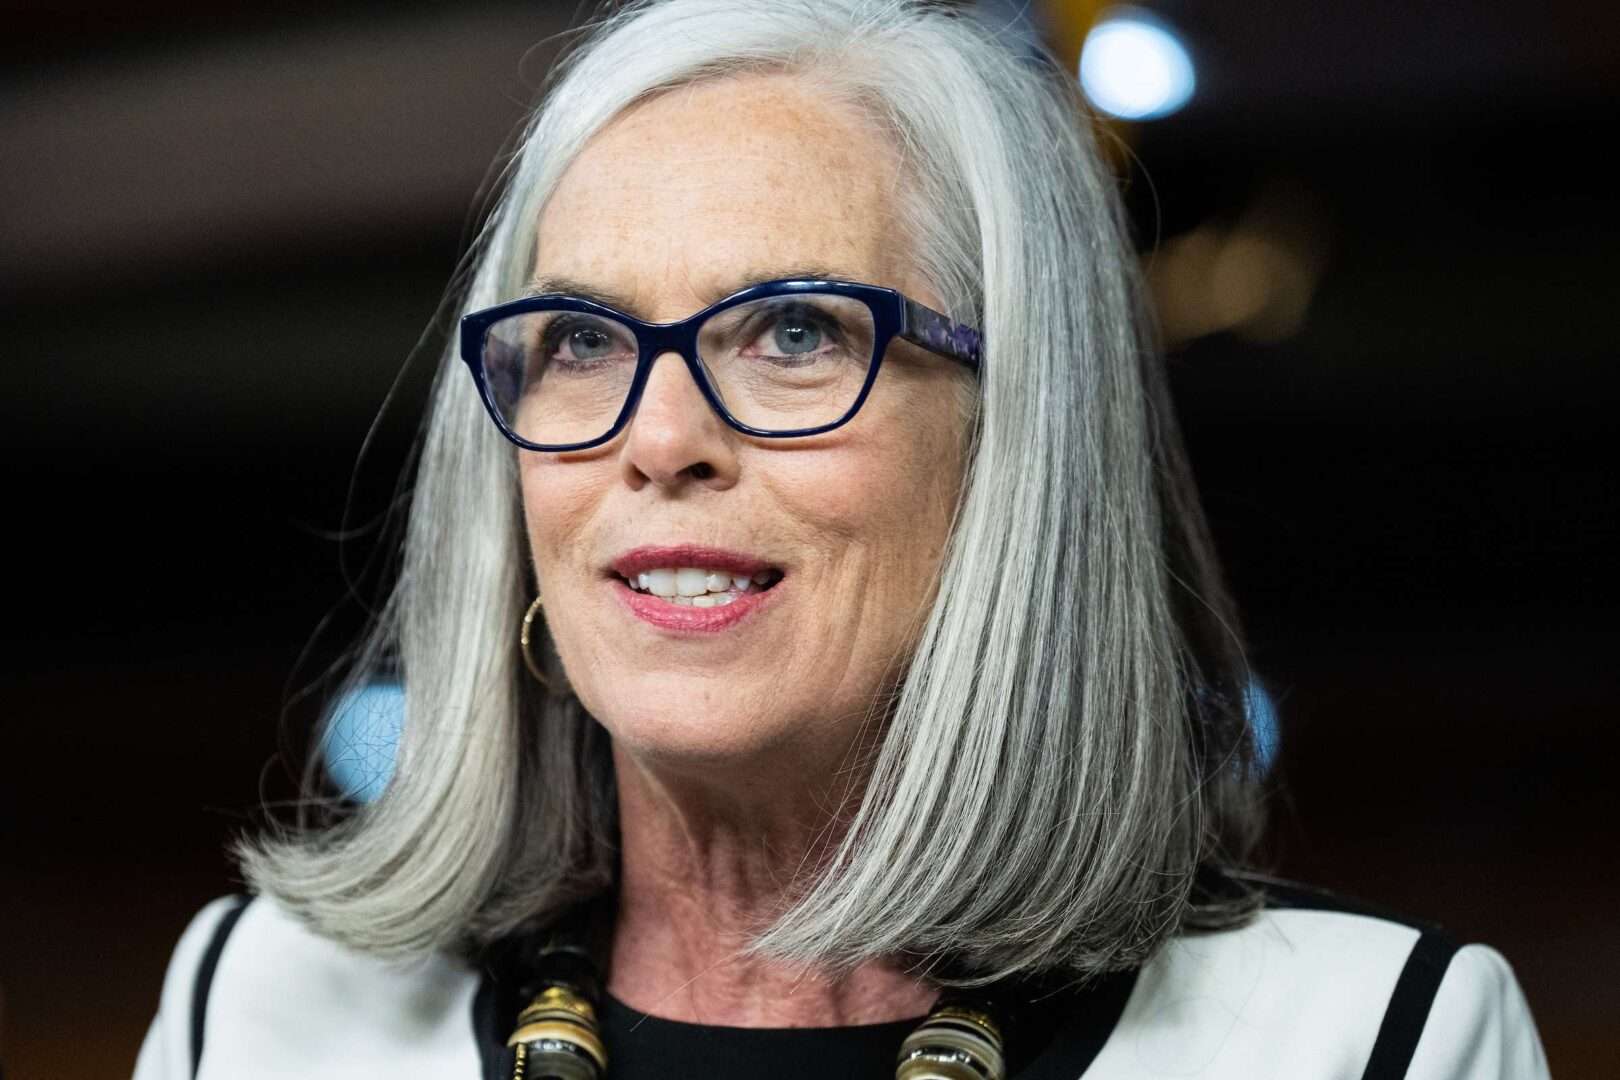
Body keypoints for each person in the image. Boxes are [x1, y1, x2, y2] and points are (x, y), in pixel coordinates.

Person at [133, 1, 1549, 1077]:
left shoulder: (1373, 1042)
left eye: (796, 332)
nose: (657, 436)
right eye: (579, 337)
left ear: (1018, 446)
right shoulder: (256, 1013)